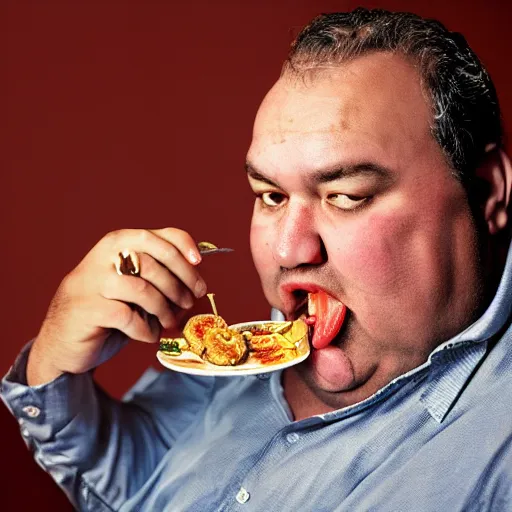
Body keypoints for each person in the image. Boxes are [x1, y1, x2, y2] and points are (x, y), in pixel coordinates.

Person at [2, 7, 511, 511]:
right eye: (270, 196)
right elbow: (141, 484)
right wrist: (56, 368)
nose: (288, 250)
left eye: (346, 195)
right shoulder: (239, 355)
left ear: (488, 191)